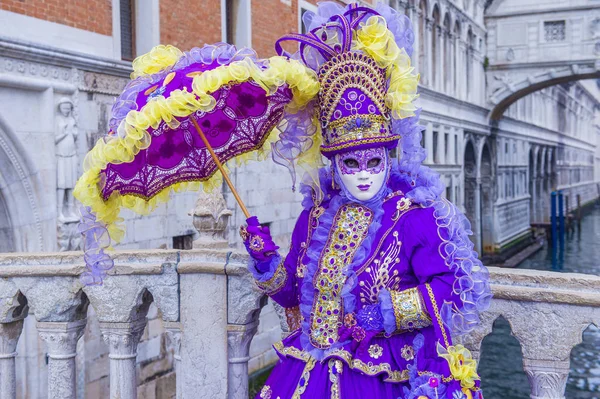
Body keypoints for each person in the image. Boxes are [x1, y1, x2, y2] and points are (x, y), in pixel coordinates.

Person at [240, 3, 491, 398]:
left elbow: (452, 285)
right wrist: (264, 259)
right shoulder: (316, 216)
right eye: (350, 162)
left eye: (373, 160)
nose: (362, 172)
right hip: (307, 368)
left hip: (381, 372)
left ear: (389, 157)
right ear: (335, 164)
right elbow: (291, 294)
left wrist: (387, 312)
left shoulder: (413, 216)